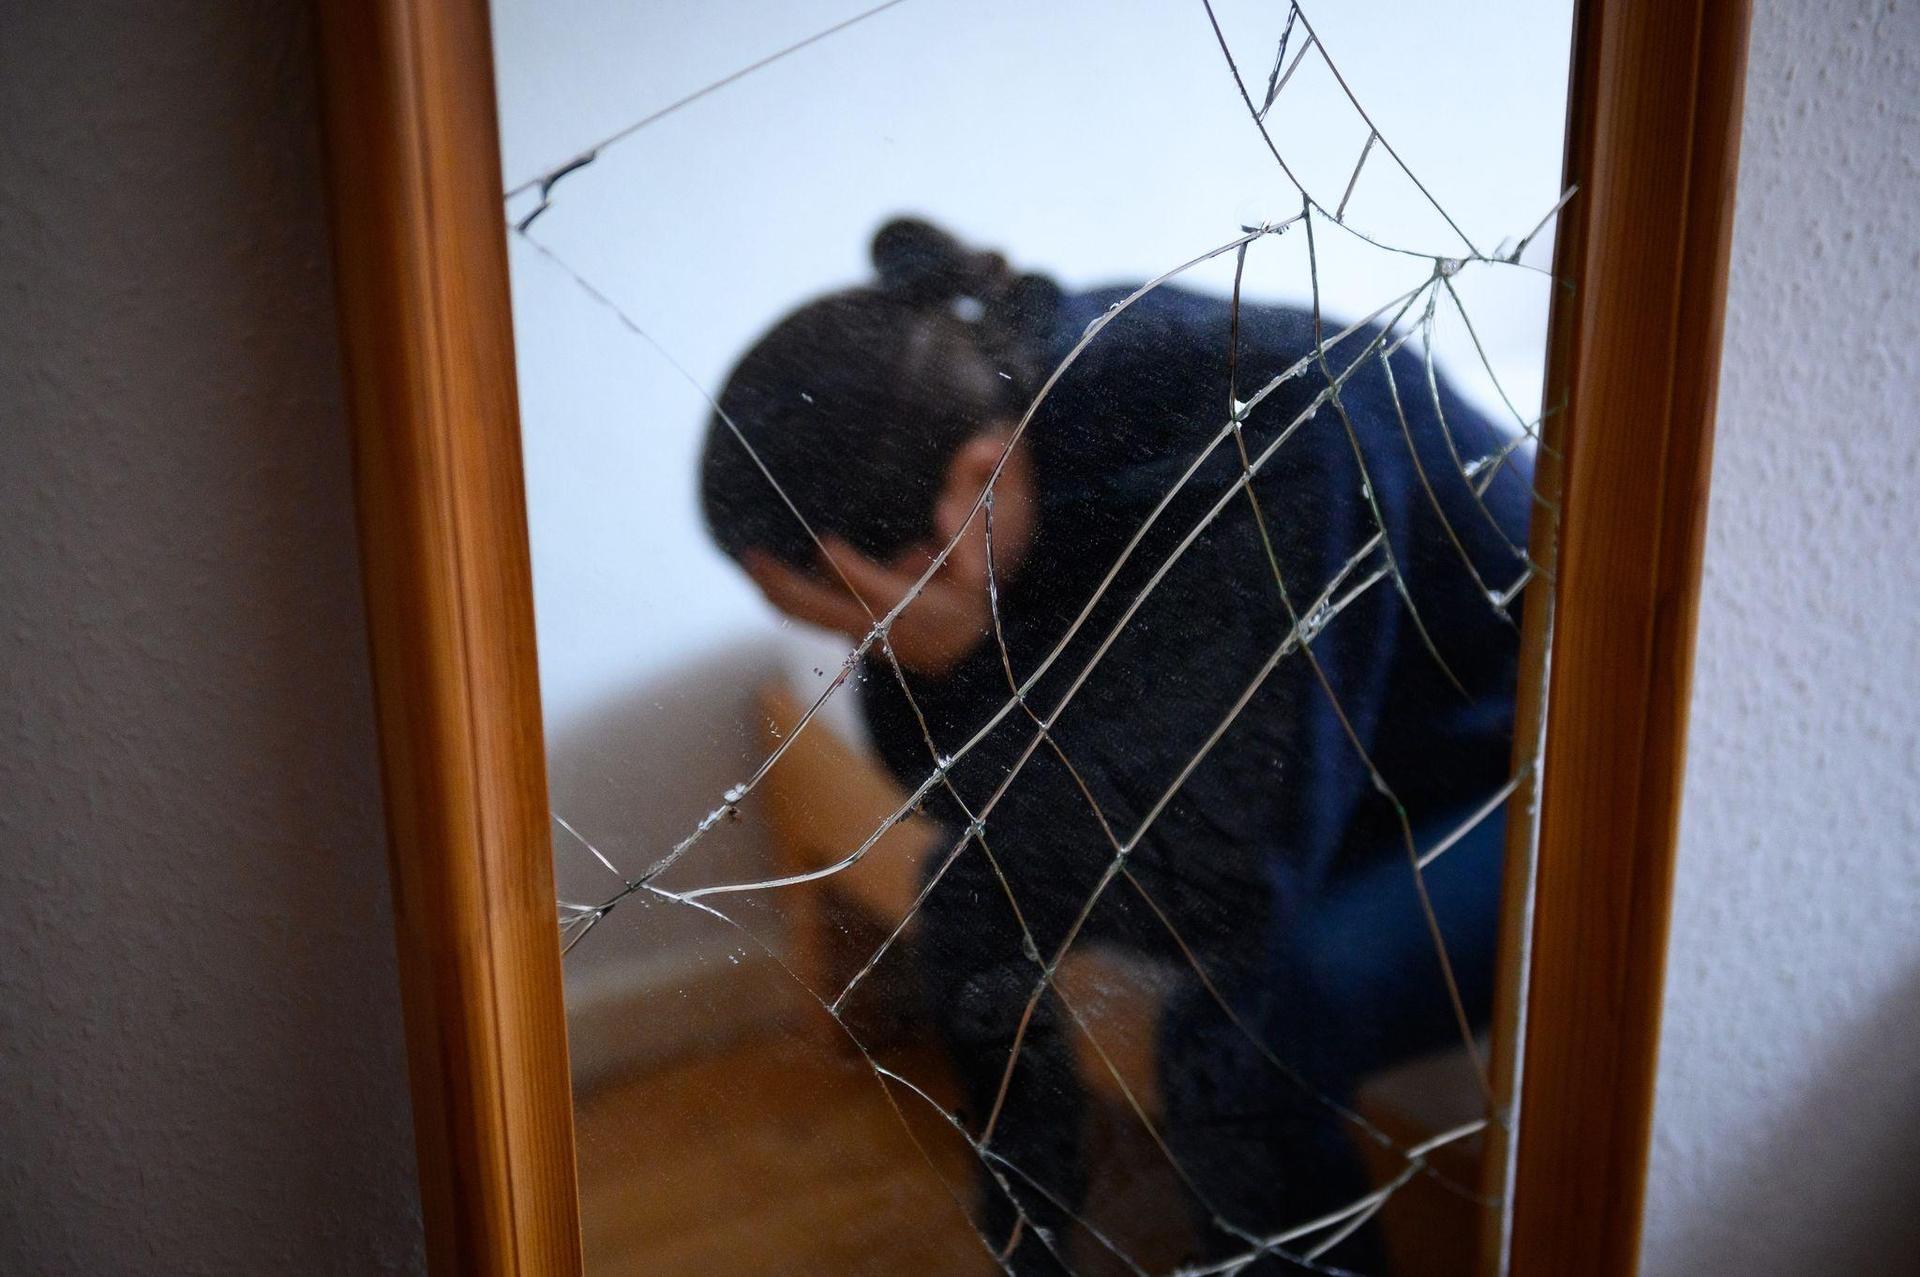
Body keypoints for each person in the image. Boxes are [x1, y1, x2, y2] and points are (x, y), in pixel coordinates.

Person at [699, 218, 1528, 1274]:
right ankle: (1032, 1240)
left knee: (1239, 1033)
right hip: (1337, 740)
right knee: (967, 893)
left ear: (977, 476)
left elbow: (1223, 887)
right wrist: (934, 654)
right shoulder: (989, 420)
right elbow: (960, 803)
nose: (867, 646)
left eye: (863, 618)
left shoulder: (1274, 422)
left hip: (1511, 746)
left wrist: (958, 660)